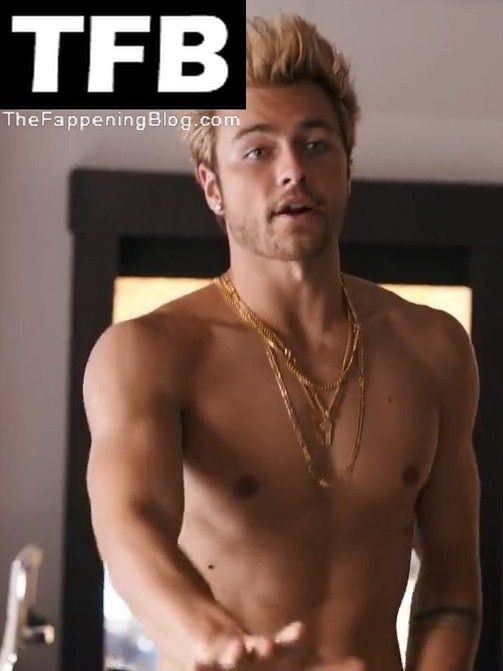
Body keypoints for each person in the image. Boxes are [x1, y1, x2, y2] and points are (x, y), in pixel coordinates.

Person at [83, 14, 481, 671]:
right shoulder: (149, 353)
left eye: (316, 144)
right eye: (257, 151)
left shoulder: (432, 349)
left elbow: (451, 591)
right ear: (212, 186)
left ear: (347, 170)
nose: (293, 170)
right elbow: (129, 527)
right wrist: (213, 640)